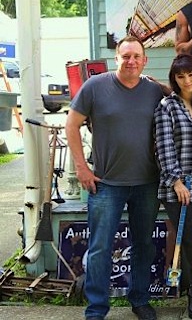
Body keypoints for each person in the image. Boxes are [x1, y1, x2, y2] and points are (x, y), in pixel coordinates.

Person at [66, 36, 164, 320]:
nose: (131, 61)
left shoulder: (155, 91)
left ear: (144, 61)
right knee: (100, 247)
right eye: (126, 56)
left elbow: (183, 97)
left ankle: (140, 299)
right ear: (116, 59)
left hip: (147, 182)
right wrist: (81, 167)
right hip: (106, 183)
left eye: (136, 56)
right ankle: (96, 308)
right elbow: (71, 124)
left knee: (144, 244)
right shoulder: (95, 87)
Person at [154, 54, 192, 319]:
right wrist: (176, 181)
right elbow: (163, 147)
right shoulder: (167, 107)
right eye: (180, 76)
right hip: (176, 186)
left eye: (191, 75)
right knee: (189, 238)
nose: (186, 80)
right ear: (174, 79)